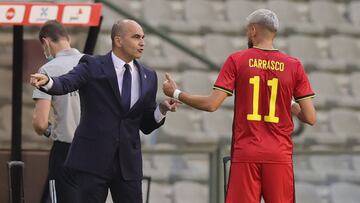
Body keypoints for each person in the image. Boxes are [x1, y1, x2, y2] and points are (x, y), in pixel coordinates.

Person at [163, 9, 316, 203]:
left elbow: (211, 104)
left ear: (253, 30)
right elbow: (310, 118)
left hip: (246, 152)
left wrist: (176, 93)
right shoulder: (294, 65)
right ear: (274, 32)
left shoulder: (237, 60)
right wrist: (290, 103)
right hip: (279, 154)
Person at [30, 19, 177, 203]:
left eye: (143, 37)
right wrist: (49, 82)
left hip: (128, 166)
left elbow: (146, 125)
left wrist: (162, 109)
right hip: (92, 162)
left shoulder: (149, 76)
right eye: (136, 37)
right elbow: (68, 82)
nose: (142, 42)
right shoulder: (92, 64)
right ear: (118, 40)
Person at [32, 20, 82, 203]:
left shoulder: (47, 70)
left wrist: (48, 130)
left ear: (46, 42)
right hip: (94, 149)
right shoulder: (93, 63)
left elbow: (40, 122)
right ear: (67, 38)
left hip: (65, 150)